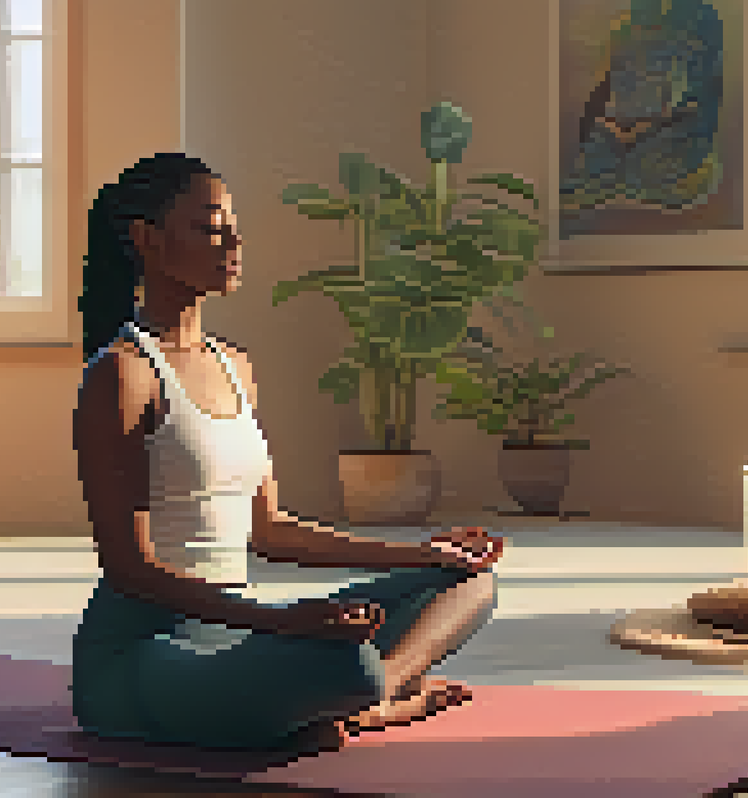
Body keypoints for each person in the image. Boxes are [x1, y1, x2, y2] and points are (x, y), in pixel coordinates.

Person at [71, 152, 504, 755]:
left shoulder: (235, 368)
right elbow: (128, 569)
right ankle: (374, 697)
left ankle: (368, 702)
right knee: (344, 666)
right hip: (144, 654)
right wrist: (283, 622)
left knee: (468, 585)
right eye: (211, 226)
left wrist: (423, 552)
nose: (234, 240)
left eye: (233, 224)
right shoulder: (121, 376)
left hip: (238, 630)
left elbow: (269, 531)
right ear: (147, 239)